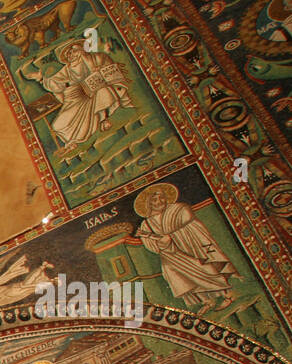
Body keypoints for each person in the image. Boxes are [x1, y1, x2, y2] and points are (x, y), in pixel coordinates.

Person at [135, 183, 238, 312]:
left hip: (187, 246)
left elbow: (189, 222)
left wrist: (170, 236)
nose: (159, 201)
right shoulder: (146, 224)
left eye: (161, 197)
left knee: (205, 268)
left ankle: (227, 295)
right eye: (154, 200)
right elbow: (150, 244)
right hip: (169, 255)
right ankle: (206, 301)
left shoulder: (178, 208)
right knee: (176, 276)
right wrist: (160, 243)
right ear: (149, 203)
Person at [38, 41, 133, 156]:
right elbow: (56, 82)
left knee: (102, 93)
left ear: (83, 49)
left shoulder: (97, 58)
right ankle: (71, 142)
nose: (71, 54)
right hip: (80, 98)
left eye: (74, 50)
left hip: (101, 91)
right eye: (68, 53)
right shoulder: (69, 68)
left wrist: (97, 70)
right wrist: (41, 79)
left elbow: (111, 71)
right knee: (58, 125)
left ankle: (104, 118)